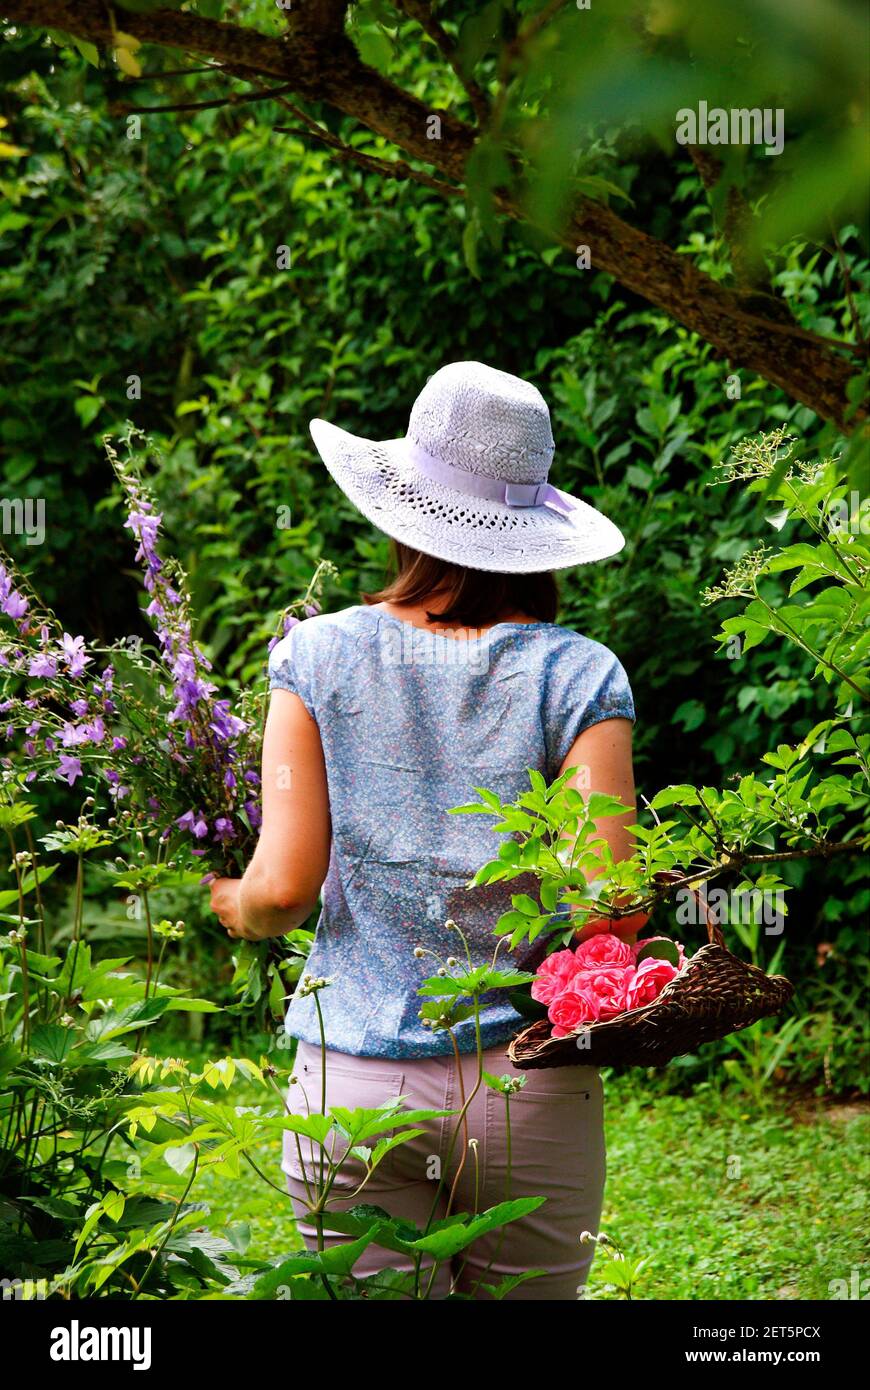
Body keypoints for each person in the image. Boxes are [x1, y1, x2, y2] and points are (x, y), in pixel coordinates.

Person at [207, 360, 641, 1299]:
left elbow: (281, 891)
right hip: (527, 1085)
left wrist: (231, 904)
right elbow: (610, 900)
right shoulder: (578, 676)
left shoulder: (315, 656)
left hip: (352, 1089)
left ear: (401, 507)